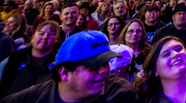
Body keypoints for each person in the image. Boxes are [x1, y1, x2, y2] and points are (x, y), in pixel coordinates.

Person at [1, 30, 135, 103]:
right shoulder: (25, 100)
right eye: (94, 66)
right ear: (64, 73)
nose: (105, 69)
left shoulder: (120, 94)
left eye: (106, 62)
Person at [135, 36, 186, 103]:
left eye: (179, 49)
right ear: (155, 70)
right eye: (166, 54)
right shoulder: (148, 100)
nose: (175, 54)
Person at [0, 21, 59, 99]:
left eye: (51, 34)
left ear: (56, 40)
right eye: (41, 34)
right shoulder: (14, 59)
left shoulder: (58, 63)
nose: (45, 37)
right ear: (32, 38)